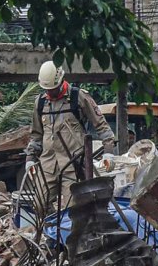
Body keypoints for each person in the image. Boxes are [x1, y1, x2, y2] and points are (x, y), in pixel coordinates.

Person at [24, 61, 116, 211]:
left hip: (73, 164)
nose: (50, 93)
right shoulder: (40, 103)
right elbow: (36, 135)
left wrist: (108, 152)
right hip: (48, 164)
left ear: (60, 81)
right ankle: (52, 231)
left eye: (53, 89)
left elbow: (101, 125)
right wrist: (30, 158)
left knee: (71, 210)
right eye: (47, 90)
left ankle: (68, 233)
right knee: (39, 204)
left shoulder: (78, 97)